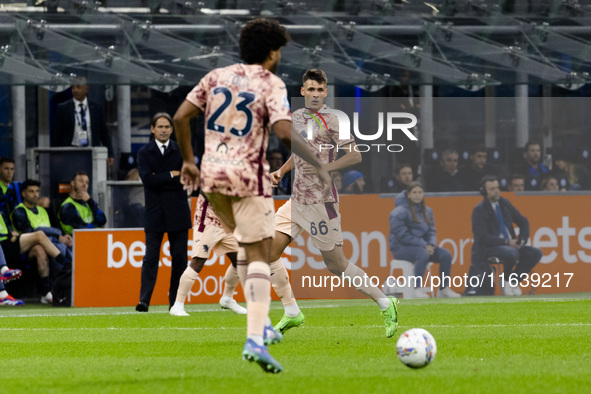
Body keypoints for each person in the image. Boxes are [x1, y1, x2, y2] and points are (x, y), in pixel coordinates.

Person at [173, 20, 331, 374]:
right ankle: (256, 338)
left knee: (244, 248)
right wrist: (316, 162)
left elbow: (181, 117)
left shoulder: (216, 76)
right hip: (248, 178)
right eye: (280, 52)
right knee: (260, 255)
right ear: (272, 53)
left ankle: (262, 324)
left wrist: (188, 161)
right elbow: (284, 132)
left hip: (212, 179)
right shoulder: (270, 83)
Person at [268, 68, 398, 338]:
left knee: (336, 264)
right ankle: (292, 312)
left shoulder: (334, 119)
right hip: (297, 200)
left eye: (320, 90)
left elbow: (355, 155)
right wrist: (282, 171)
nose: (315, 94)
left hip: (321, 203)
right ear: (302, 91)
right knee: (268, 252)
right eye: (310, 89)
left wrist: (329, 168)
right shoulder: (296, 117)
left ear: (325, 92)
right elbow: (299, 153)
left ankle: (386, 302)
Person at [135, 113, 191, 312]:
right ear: (152, 129)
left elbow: (186, 177)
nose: (164, 130)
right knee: (150, 258)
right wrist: (171, 175)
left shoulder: (182, 150)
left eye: (167, 126)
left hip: (178, 213)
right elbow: (147, 181)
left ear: (172, 129)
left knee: (179, 259)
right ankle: (144, 300)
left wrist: (160, 178)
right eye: (160, 126)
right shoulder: (144, 153)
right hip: (154, 213)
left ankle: (175, 302)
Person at [170, 193, 246, 316]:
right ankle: (177, 305)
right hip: (208, 219)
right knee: (198, 262)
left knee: (241, 259)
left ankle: (227, 298)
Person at [466, 175, 542, 296]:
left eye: (497, 188)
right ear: (484, 191)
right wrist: (507, 242)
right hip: (488, 248)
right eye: (491, 189)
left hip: (510, 245)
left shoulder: (505, 203)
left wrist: (521, 240)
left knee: (535, 253)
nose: (496, 191)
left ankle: (512, 281)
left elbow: (523, 221)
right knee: (511, 253)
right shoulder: (479, 210)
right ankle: (505, 281)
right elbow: (483, 237)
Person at [388, 181, 461, 298]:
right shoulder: (398, 212)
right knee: (422, 254)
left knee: (445, 255)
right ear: (409, 195)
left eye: (420, 192)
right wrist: (424, 245)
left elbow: (431, 231)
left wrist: (431, 245)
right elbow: (402, 236)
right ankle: (417, 289)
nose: (417, 195)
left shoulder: (427, 211)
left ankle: (443, 289)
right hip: (400, 248)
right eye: (414, 192)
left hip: (422, 247)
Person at [8, 180, 72, 304]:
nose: (35, 194)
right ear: (24, 193)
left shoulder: (43, 211)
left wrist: (62, 237)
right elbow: (31, 232)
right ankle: (48, 291)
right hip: (25, 250)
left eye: (37, 191)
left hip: (49, 244)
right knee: (40, 248)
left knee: (62, 245)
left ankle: (65, 286)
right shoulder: (19, 211)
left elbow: (52, 230)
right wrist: (57, 236)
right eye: (31, 191)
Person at [51, 77, 114, 166]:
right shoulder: (63, 108)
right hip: (70, 153)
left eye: (78, 87)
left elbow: (104, 133)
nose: (75, 90)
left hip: (92, 152)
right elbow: (56, 134)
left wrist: (110, 153)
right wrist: (55, 154)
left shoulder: (96, 108)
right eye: (73, 87)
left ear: (86, 89)